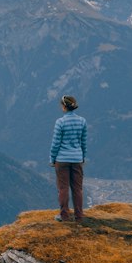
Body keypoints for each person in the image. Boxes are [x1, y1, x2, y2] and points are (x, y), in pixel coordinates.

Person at [49, 94, 87, 222]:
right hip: (77, 159)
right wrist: (83, 157)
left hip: (62, 159)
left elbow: (55, 143)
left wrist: (52, 159)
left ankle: (64, 216)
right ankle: (79, 216)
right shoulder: (82, 121)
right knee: (77, 188)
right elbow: (83, 142)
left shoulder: (60, 122)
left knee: (63, 188)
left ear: (64, 106)